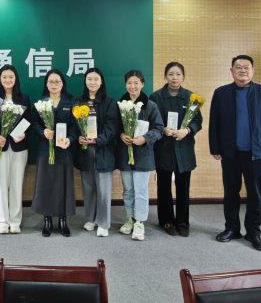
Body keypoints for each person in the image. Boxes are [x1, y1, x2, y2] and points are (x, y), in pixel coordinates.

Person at [209, 54, 261, 251]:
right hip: (230, 153)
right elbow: (214, 123)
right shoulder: (221, 93)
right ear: (231, 71)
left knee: (255, 195)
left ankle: (253, 232)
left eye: (246, 67)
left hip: (257, 154)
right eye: (238, 67)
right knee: (230, 192)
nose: (242, 70)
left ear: (253, 70)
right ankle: (231, 228)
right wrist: (215, 147)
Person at [150, 62, 202, 237]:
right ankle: (166, 221)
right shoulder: (156, 97)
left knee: (183, 187)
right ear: (165, 76)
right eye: (171, 74)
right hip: (163, 147)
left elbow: (197, 121)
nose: (174, 78)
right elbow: (150, 120)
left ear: (183, 76)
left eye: (178, 74)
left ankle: (182, 222)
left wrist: (186, 130)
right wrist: (162, 129)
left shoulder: (191, 98)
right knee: (164, 186)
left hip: (183, 147)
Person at [117, 69, 163, 241]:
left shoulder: (151, 106)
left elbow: (159, 129)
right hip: (125, 154)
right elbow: (115, 127)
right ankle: (129, 219)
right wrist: (121, 135)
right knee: (128, 190)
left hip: (143, 155)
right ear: (125, 84)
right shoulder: (120, 105)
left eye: (136, 83)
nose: (133, 86)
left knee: (141, 191)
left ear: (142, 84)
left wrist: (145, 138)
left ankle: (140, 222)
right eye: (129, 83)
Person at [32, 69, 77, 237]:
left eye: (57, 81)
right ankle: (47, 220)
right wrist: (42, 132)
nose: (54, 84)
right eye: (50, 81)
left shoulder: (70, 103)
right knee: (46, 185)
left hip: (64, 150)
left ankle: (63, 221)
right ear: (46, 84)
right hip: (45, 150)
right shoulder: (40, 103)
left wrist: (70, 139)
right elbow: (34, 124)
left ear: (62, 84)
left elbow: (75, 127)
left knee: (63, 185)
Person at [74, 68, 118, 238]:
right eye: (89, 79)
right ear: (85, 81)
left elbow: (111, 127)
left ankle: (103, 223)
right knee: (89, 188)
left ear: (101, 82)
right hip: (85, 151)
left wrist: (97, 140)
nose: (92, 82)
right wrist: (78, 137)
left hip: (103, 151)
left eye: (96, 79)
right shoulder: (79, 102)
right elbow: (73, 125)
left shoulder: (109, 102)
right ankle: (91, 218)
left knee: (103, 190)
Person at [0, 65, 31, 234]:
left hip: (19, 146)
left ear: (16, 79)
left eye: (11, 77)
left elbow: (28, 121)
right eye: (4, 77)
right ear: (0, 79)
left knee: (16, 184)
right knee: (1, 185)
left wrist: (22, 133)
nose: (8, 80)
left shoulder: (24, 98)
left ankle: (15, 221)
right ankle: (3, 221)